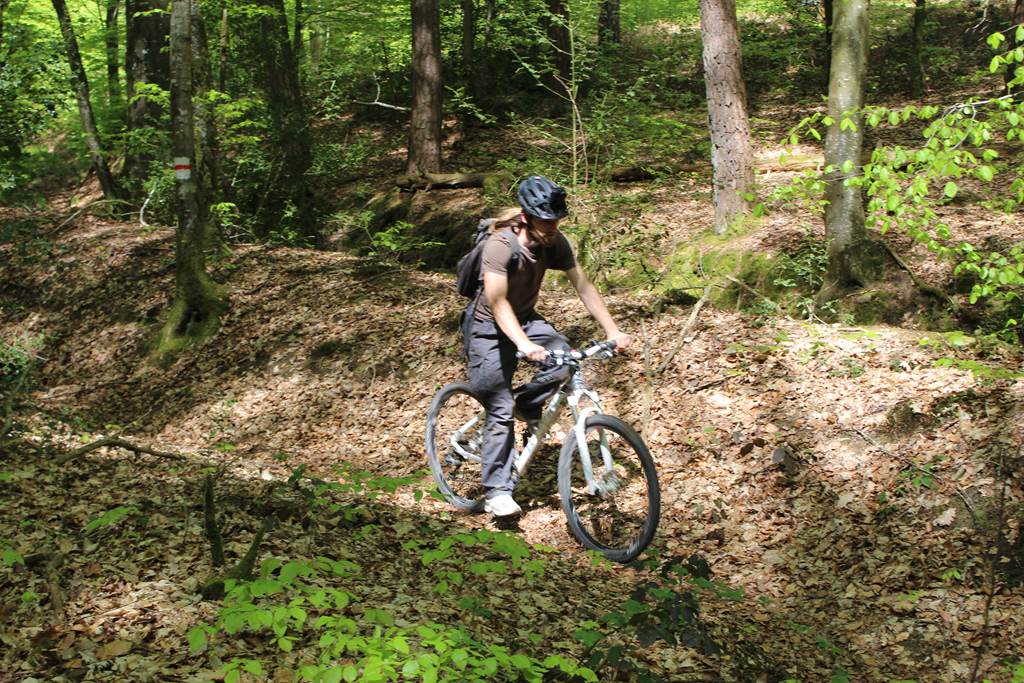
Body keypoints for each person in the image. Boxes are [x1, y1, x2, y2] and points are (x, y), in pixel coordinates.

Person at [466, 175, 632, 518]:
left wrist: (613, 329)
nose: (553, 227)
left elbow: (583, 285)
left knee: (566, 359)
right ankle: (497, 490)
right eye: (545, 220)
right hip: (486, 327)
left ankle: (527, 404)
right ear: (526, 217)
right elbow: (497, 302)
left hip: (525, 318)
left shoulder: (555, 242)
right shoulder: (500, 245)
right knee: (498, 406)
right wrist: (523, 344)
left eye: (556, 219)